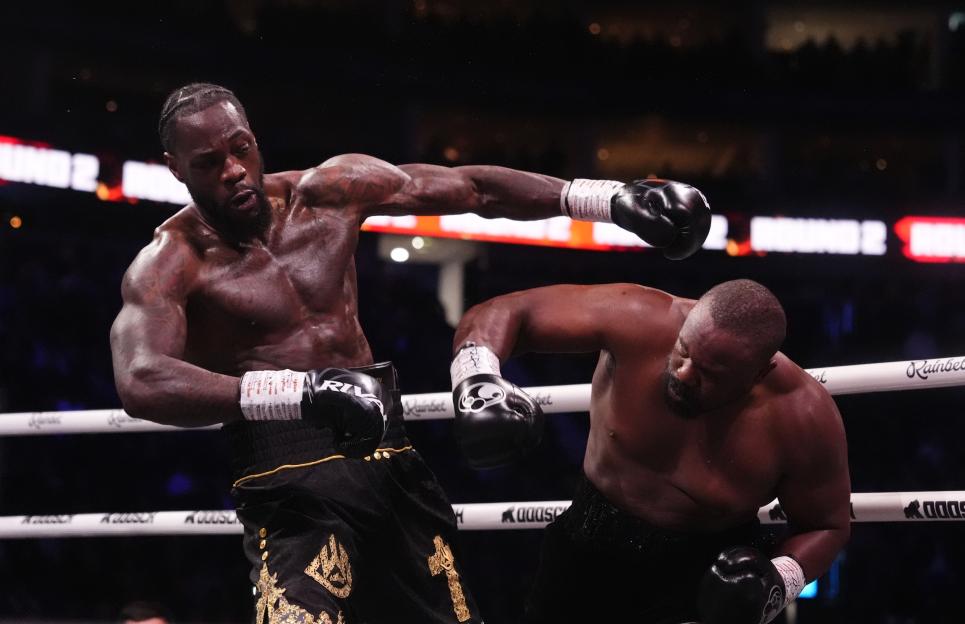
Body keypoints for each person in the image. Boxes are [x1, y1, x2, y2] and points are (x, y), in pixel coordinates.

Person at [109, 82, 712, 624]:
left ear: (254, 139)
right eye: (209, 163)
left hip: (386, 450)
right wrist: (302, 394)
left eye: (240, 148)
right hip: (285, 472)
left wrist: (605, 199)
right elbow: (141, 380)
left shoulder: (328, 192)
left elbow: (473, 188)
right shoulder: (169, 261)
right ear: (175, 170)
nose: (234, 171)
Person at [449, 279, 851, 624]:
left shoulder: (802, 415)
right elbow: (502, 311)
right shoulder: (637, 317)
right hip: (585, 546)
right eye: (684, 350)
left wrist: (777, 580)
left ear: (759, 373)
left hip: (706, 575)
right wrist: (477, 383)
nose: (684, 373)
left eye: (712, 373)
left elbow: (827, 526)